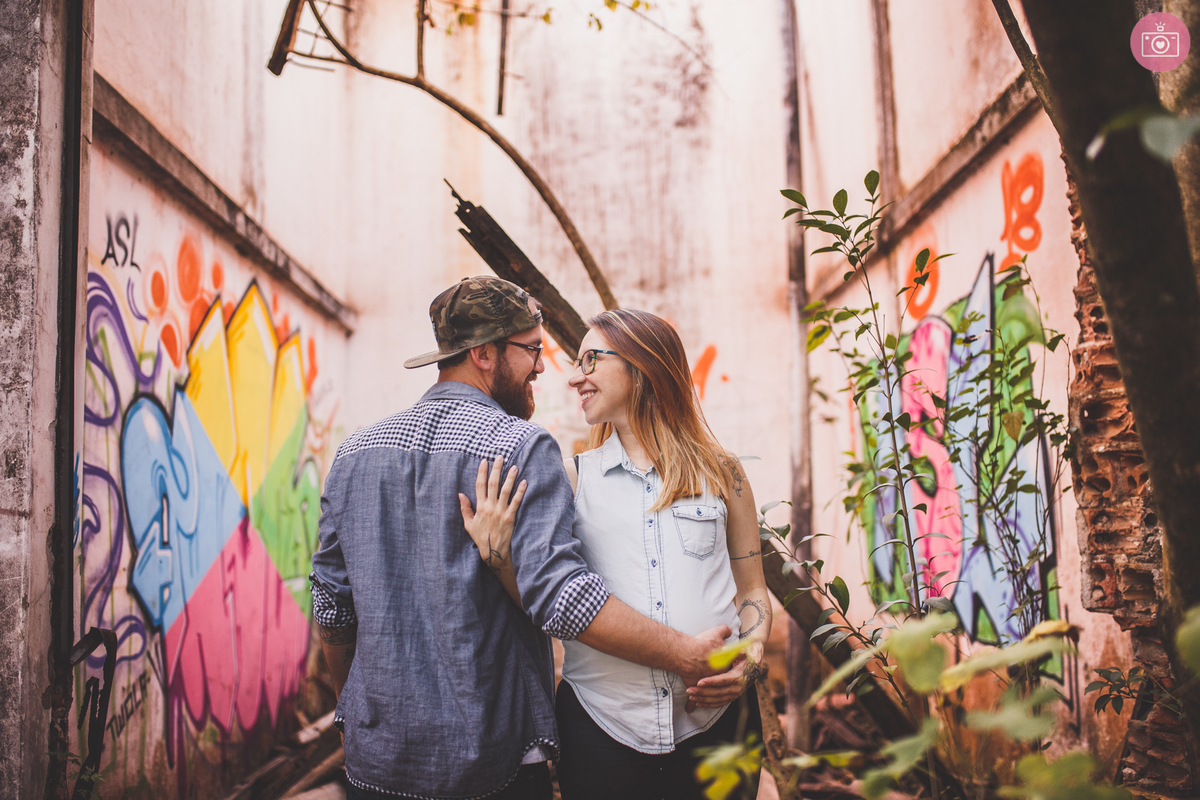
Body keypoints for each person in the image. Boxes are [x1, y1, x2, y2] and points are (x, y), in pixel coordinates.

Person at [310, 277, 732, 800]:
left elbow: (331, 606)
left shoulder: (354, 454)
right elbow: (561, 596)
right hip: (492, 757)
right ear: (484, 354)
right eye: (532, 349)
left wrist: (353, 713)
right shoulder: (518, 445)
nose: (541, 366)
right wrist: (685, 655)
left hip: (378, 760)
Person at [473, 308, 772, 799]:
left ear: (643, 364)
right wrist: (499, 556)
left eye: (590, 359)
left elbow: (752, 590)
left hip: (717, 723)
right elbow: (545, 599)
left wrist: (752, 655)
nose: (574, 377)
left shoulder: (725, 473)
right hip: (600, 728)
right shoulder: (571, 479)